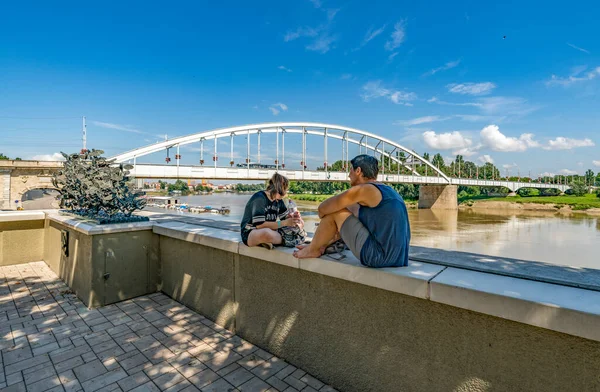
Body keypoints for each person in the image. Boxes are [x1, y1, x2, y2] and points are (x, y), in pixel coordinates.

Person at [293, 154, 411, 267]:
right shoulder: (387, 190)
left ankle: (312, 250)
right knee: (349, 213)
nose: (349, 175)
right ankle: (319, 246)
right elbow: (348, 222)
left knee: (335, 211)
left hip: (377, 257)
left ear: (358, 171)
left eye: (350, 170)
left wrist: (323, 216)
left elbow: (323, 209)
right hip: (398, 259)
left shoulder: (364, 190)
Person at [240, 173, 305, 249]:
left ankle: (271, 241)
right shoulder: (259, 198)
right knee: (266, 233)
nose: (285, 193)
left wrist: (293, 218)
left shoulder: (278, 200)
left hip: (272, 230)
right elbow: (260, 225)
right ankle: (294, 239)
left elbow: (285, 218)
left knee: (300, 223)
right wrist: (285, 223)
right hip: (250, 233)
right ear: (278, 189)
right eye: (285, 189)